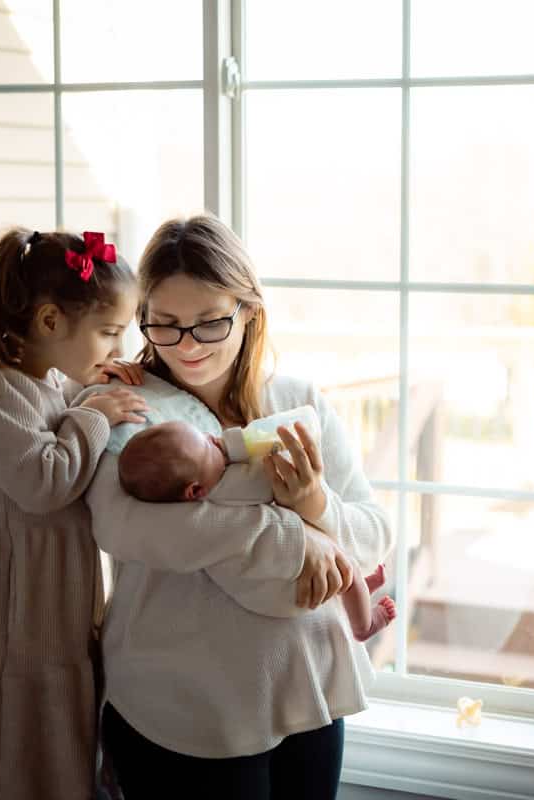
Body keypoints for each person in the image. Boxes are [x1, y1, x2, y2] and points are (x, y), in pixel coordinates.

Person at [85, 215, 394, 800]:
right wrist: (296, 537)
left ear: (248, 311)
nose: (188, 346)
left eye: (210, 323)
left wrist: (315, 503)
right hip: (181, 703)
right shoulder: (121, 405)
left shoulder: (297, 401)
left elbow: (374, 532)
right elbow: (127, 527)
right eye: (166, 325)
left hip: (308, 689)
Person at [0, 229, 148, 800]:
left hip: (47, 579)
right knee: (23, 702)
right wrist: (95, 416)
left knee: (60, 688)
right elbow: (42, 480)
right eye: (108, 333)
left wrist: (88, 396)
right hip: (15, 596)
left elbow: (55, 421)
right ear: (50, 322)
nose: (116, 348)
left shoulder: (46, 380)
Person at [117, 418, 397, 642]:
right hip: (283, 592)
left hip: (262, 593)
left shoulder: (204, 494)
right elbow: (270, 469)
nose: (214, 438)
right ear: (195, 490)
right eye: (208, 445)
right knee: (345, 568)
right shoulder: (233, 486)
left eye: (205, 434)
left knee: (338, 570)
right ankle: (364, 624)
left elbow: (378, 529)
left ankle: (350, 592)